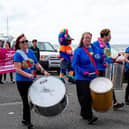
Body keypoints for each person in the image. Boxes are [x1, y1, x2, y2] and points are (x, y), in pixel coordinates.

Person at [14, 34, 49, 129]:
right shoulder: (18, 54)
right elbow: (17, 69)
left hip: (31, 80)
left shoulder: (30, 52)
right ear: (19, 44)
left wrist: (43, 71)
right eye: (23, 42)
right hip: (21, 81)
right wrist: (28, 75)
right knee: (26, 101)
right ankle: (28, 122)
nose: (25, 43)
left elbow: (37, 64)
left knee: (32, 101)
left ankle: (25, 119)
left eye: (26, 41)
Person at [72, 32, 100, 124]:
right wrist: (83, 72)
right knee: (85, 97)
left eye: (89, 38)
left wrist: (103, 62)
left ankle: (84, 113)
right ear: (82, 39)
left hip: (92, 76)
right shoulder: (78, 50)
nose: (88, 39)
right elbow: (74, 64)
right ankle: (89, 116)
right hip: (82, 77)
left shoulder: (93, 48)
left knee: (91, 97)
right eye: (86, 38)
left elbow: (98, 59)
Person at [93, 28, 124, 110]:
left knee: (108, 85)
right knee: (96, 86)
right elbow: (95, 55)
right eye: (109, 35)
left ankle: (114, 102)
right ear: (105, 35)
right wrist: (103, 61)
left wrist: (113, 60)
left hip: (105, 69)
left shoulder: (107, 45)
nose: (111, 37)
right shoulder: (95, 44)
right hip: (97, 68)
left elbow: (108, 57)